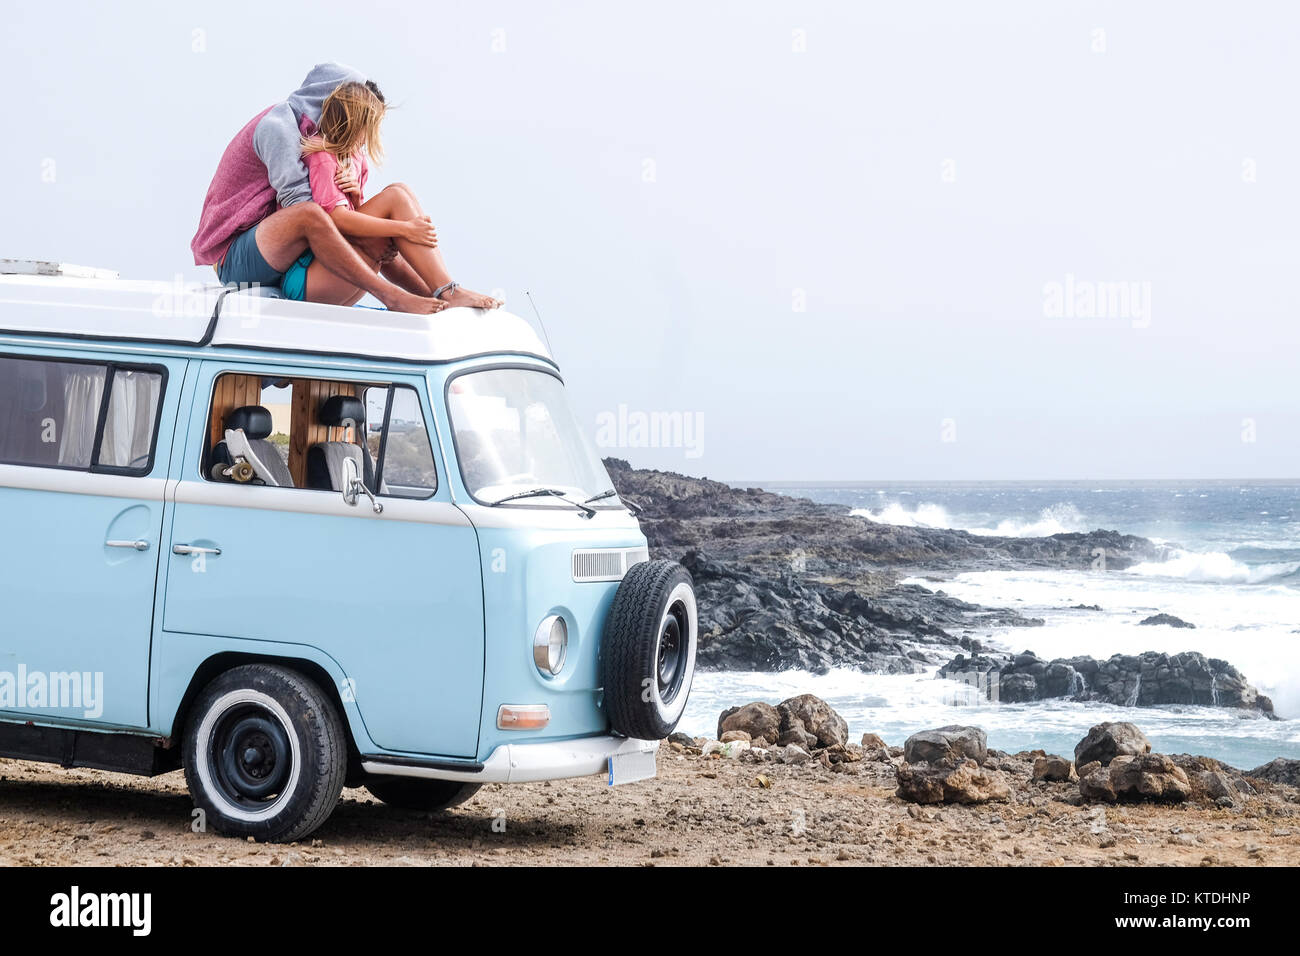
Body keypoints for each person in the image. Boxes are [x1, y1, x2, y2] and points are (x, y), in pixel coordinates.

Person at [190, 63, 438, 314]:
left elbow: (332, 217)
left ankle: (441, 294)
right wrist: (394, 228)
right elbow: (308, 211)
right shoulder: (278, 127)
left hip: (281, 250)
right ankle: (391, 296)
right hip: (236, 258)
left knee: (395, 194)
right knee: (311, 214)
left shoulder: (322, 145)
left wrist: (352, 196)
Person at [286, 81, 501, 310]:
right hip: (308, 281)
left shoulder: (355, 159)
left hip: (337, 277)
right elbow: (336, 220)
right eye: (370, 127)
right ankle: (447, 291)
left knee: (400, 190)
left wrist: (357, 198)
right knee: (395, 198)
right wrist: (404, 229)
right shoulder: (323, 154)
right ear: (357, 125)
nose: (371, 136)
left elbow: (355, 223)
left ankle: (443, 293)